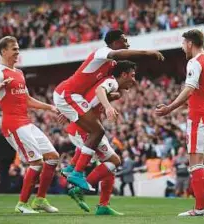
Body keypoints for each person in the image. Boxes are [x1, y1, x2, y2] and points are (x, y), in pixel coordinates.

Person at [53, 29, 164, 191]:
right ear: (115, 42)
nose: (127, 44)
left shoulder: (110, 67)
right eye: (124, 40)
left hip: (73, 97)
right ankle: (77, 173)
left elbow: (94, 88)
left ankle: (72, 169)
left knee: (96, 134)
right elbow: (114, 64)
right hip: (68, 94)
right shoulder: (102, 53)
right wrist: (147, 52)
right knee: (98, 132)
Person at [0, 36, 60, 214]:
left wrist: (49, 107)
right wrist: (0, 86)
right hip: (13, 124)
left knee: (53, 157)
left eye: (18, 49)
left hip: (26, 122)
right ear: (4, 51)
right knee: (36, 162)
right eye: (14, 49)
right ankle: (22, 204)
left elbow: (27, 100)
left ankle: (40, 200)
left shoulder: (19, 73)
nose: (17, 52)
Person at [155, 29, 204, 217]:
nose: (182, 47)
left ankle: (199, 208)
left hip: (199, 117)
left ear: (190, 43)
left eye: (183, 43)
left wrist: (170, 107)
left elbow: (190, 88)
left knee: (195, 164)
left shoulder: (195, 62)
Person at [62, 60, 137, 215]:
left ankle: (103, 205)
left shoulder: (109, 84)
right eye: (133, 75)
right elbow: (99, 91)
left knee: (111, 165)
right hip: (85, 130)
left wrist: (111, 99)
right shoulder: (110, 82)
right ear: (123, 74)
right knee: (114, 161)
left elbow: (91, 98)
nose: (134, 80)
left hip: (85, 129)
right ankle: (78, 188)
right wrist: (109, 106)